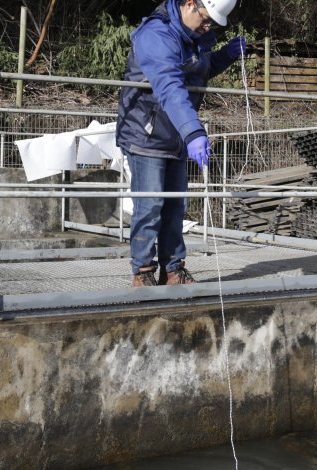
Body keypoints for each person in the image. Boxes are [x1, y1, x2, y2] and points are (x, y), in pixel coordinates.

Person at [116, 0, 245, 287]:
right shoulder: (156, 34)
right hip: (146, 133)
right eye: (206, 20)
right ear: (190, 4)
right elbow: (169, 85)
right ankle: (143, 272)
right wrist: (193, 131)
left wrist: (225, 55)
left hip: (173, 135)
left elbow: (198, 70)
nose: (208, 27)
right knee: (149, 205)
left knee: (175, 207)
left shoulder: (193, 36)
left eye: (212, 23)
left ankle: (173, 270)